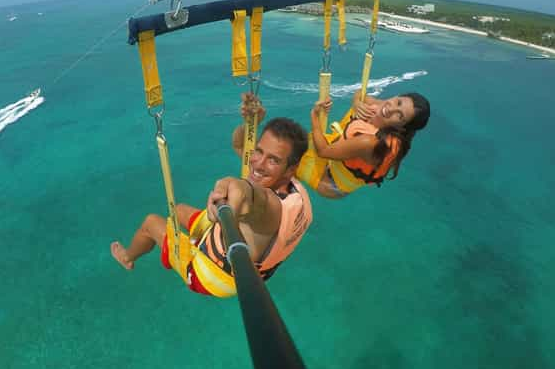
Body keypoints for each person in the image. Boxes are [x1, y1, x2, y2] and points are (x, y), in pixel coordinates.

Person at [110, 100, 312, 298]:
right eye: (259, 151)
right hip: (230, 245)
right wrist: (251, 125)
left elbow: (253, 197)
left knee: (150, 222)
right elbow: (238, 144)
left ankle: (128, 257)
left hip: (215, 276)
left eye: (273, 160)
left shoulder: (271, 208)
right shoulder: (292, 188)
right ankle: (194, 241)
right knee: (178, 210)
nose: (258, 164)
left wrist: (230, 184)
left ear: (290, 169)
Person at [295, 90, 431, 198]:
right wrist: (356, 103)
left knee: (288, 153)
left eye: (400, 116)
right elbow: (361, 93)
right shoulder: (386, 107)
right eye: (398, 102)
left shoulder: (371, 142)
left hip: (329, 183)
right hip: (336, 161)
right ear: (397, 96)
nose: (391, 109)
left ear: (401, 128)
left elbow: (323, 151)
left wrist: (314, 116)